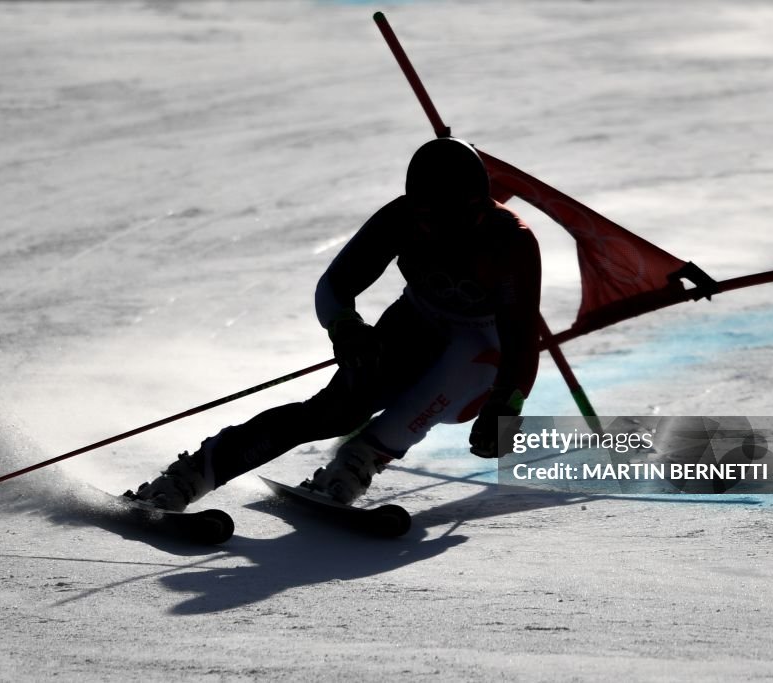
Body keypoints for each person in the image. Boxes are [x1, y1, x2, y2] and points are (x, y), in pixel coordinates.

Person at [130, 137, 542, 511]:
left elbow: (520, 338)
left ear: (478, 207)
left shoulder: (512, 242)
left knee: (467, 357)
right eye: (428, 217)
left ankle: (358, 462)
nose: (438, 230)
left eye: (452, 219)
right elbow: (336, 283)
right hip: (415, 322)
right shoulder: (400, 218)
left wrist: (506, 405)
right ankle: (190, 476)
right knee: (333, 414)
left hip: (481, 356)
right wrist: (346, 327)